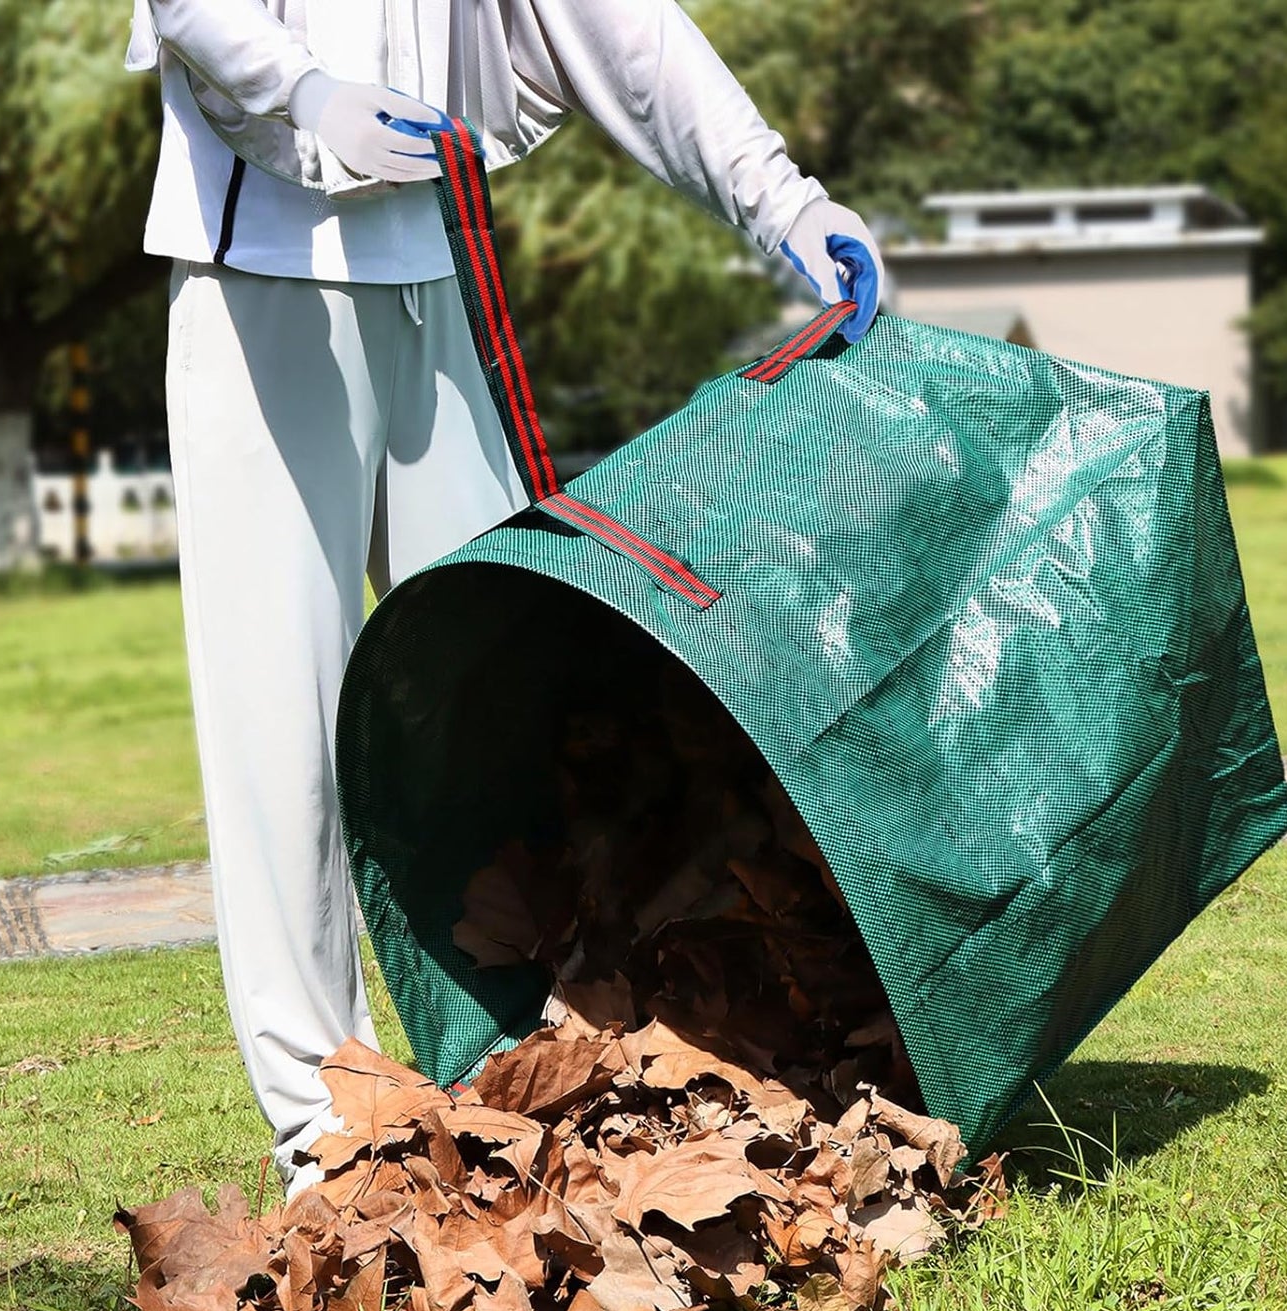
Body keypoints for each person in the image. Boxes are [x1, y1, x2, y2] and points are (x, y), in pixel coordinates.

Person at [126, 0, 886, 1197]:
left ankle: (549, 1066)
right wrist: (306, 93)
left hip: (431, 268)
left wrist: (779, 196)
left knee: (511, 695)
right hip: (260, 272)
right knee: (279, 728)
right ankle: (328, 1141)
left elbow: (617, 24)